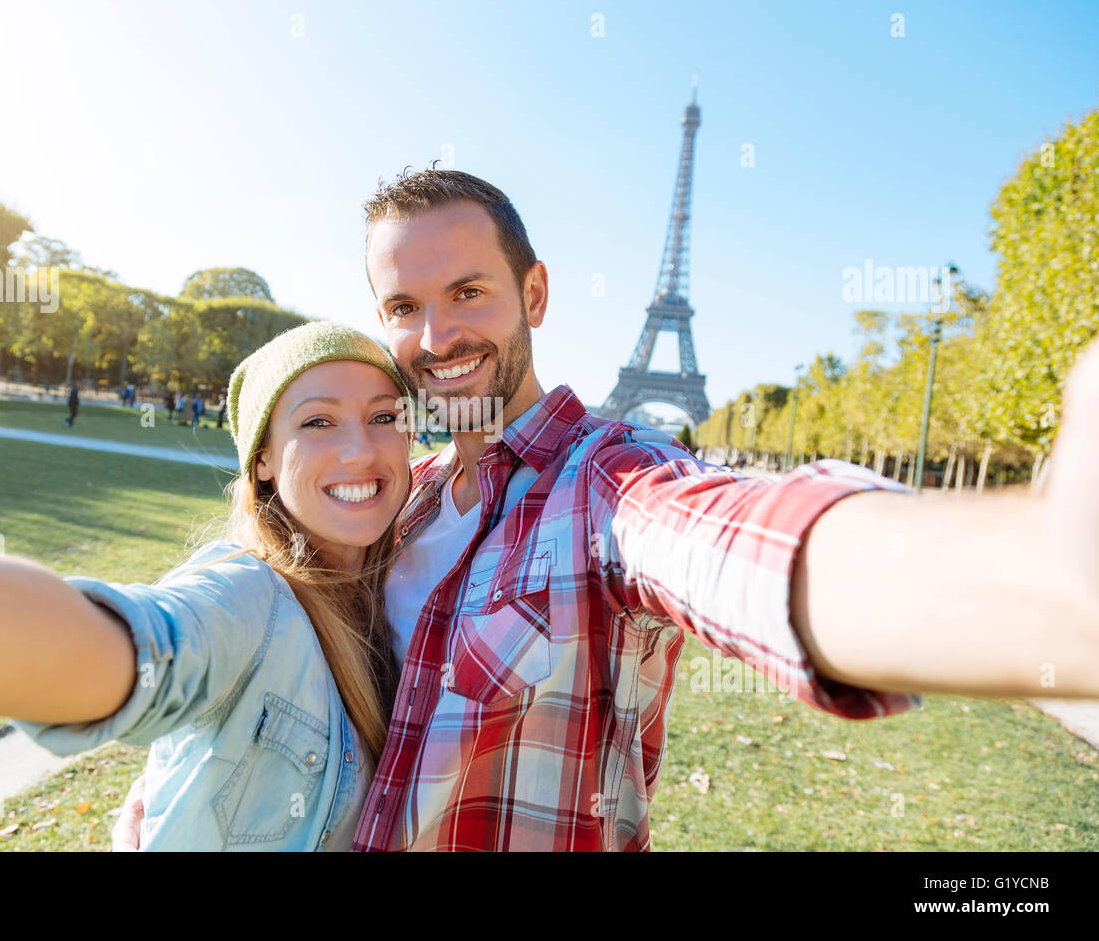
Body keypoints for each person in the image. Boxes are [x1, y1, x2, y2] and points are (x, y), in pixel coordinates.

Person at [115, 167, 1099, 852]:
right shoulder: (394, 503)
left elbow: (726, 540)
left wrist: (1043, 579)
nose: (437, 332)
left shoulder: (602, 485)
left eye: (468, 291)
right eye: (404, 305)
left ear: (534, 292)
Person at [0, 321, 414, 850]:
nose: (361, 449)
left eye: (383, 416)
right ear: (263, 459)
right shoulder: (248, 596)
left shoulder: (409, 581)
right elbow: (118, 647)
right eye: (319, 421)